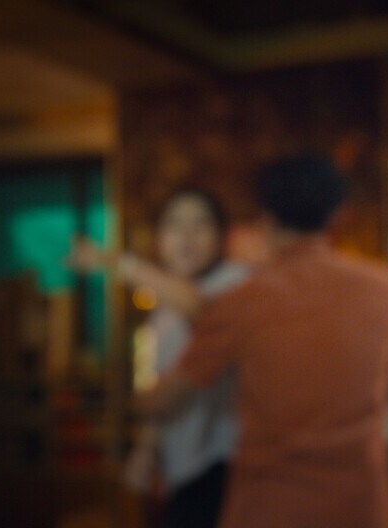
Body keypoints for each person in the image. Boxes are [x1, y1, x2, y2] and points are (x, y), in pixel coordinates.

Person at [140, 155, 388, 528]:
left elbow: (166, 399)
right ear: (339, 215)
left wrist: (139, 402)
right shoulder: (386, 291)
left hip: (269, 508)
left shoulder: (242, 303)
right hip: (363, 510)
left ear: (266, 220)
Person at [71, 187, 248, 528]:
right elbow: (164, 389)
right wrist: (146, 450)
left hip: (228, 467)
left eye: (200, 224)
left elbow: (200, 308)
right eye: (174, 225)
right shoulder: (162, 310)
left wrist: (113, 262)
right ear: (160, 237)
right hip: (184, 470)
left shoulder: (235, 282)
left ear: (221, 236)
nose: (187, 237)